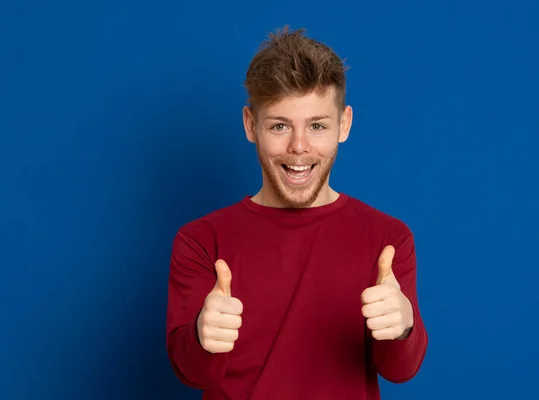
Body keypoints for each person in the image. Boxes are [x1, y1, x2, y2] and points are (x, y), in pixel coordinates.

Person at [166, 26, 428, 399]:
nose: (299, 147)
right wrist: (201, 336)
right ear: (250, 125)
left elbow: (400, 370)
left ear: (345, 124)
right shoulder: (200, 241)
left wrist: (403, 328)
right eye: (279, 126)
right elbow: (192, 373)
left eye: (317, 126)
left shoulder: (388, 239)